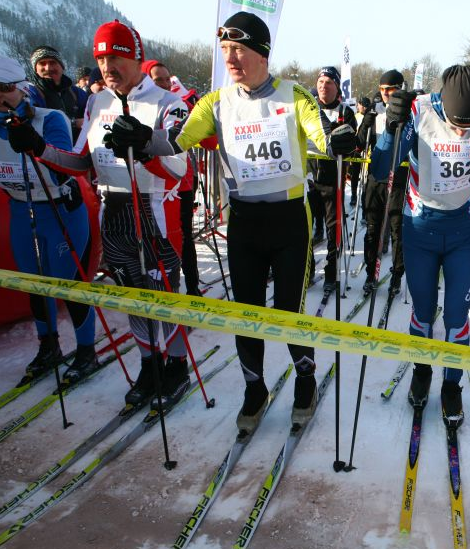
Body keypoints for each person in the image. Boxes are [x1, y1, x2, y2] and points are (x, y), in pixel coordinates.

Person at [109, 12, 357, 431]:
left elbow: (321, 135)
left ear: (261, 52)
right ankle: (255, 389)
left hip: (289, 221)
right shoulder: (216, 102)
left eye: (238, 49)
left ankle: (306, 379)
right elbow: (176, 140)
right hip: (243, 222)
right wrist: (140, 138)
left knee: (289, 310)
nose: (230, 58)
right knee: (246, 312)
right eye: (224, 50)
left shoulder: (294, 96)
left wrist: (337, 139)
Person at [10, 21, 192, 409]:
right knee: (131, 297)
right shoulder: (97, 102)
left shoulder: (166, 103)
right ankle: (149, 365)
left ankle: (176, 364)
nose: (108, 65)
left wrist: (145, 147)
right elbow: (80, 161)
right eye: (101, 57)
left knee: (163, 295)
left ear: (136, 58)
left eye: (116, 57)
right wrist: (39, 148)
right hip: (114, 211)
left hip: (156, 211)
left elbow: (182, 171)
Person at [371, 64, 470, 428]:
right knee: (423, 313)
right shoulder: (420, 112)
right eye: (456, 122)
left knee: (458, 319)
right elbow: (380, 168)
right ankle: (421, 371)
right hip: (420, 232)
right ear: (442, 102)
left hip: (464, 234)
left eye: (469, 124)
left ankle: (451, 386)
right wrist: (389, 129)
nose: (463, 131)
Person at [0, 56, 98, 384]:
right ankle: (49, 346)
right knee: (33, 282)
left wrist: (35, 145)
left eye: (6, 91)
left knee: (69, 285)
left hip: (60, 210)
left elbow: (65, 168)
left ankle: (86, 351)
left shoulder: (49, 118)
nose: (1, 99)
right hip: (21, 210)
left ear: (20, 89)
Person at [142, 58, 201, 296]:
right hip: (149, 185)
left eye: (168, 79)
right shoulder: (140, 106)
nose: (166, 84)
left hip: (180, 183)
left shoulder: (175, 103)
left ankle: (192, 289)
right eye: (159, 80)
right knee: (154, 239)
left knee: (183, 239)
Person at [308, 66, 358, 294]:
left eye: (328, 82)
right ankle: (305, 271)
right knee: (305, 228)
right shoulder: (309, 107)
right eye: (320, 82)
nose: (323, 86)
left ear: (337, 86)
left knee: (332, 230)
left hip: (332, 180)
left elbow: (352, 142)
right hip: (308, 179)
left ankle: (331, 272)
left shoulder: (345, 111)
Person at [360, 69, 408, 296]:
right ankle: (371, 273)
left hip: (399, 181)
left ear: (400, 88)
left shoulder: (409, 112)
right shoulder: (375, 112)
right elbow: (358, 145)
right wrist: (365, 124)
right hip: (375, 180)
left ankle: (397, 275)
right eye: (382, 89)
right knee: (372, 229)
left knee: (398, 229)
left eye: (391, 89)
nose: (386, 93)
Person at [28, 45, 88, 140]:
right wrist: (73, 123)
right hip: (48, 150)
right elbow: (33, 125)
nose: (48, 68)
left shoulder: (77, 93)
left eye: (52, 62)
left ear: (62, 66)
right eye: (42, 63)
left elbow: (91, 117)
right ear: (36, 69)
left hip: (79, 150)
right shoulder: (32, 94)